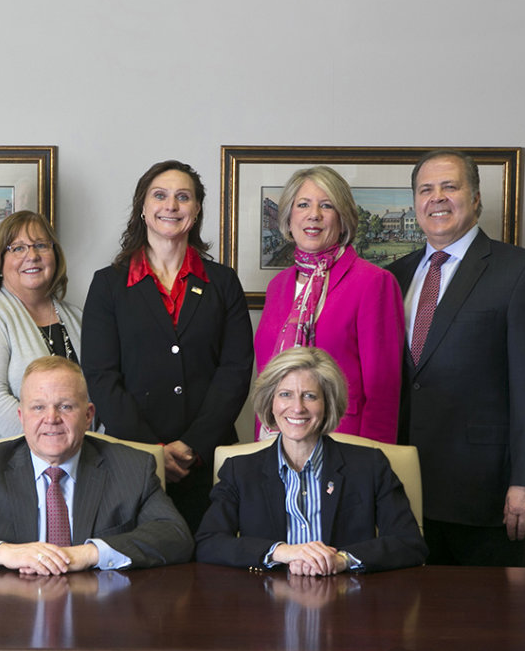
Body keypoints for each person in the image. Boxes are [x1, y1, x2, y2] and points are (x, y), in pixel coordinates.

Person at [386, 149, 525, 567]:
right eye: (426, 189)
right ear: (415, 202)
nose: (438, 198)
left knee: (489, 627)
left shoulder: (521, 272)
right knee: (405, 626)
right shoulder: (393, 277)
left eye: (450, 186)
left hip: (485, 495)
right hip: (401, 492)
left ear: (477, 196)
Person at [81, 159, 253, 533]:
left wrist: (192, 446)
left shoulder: (222, 283)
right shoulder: (108, 285)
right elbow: (100, 375)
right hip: (131, 459)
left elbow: (235, 371)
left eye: (183, 197)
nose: (171, 206)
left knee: (212, 575)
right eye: (159, 196)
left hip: (208, 460)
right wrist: (152, 451)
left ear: (197, 210)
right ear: (142, 208)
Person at [0, 356, 194, 572]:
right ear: (21, 416)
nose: (51, 418)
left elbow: (176, 536)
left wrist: (91, 553)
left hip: (100, 621)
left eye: (66, 406)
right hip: (5, 622)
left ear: (88, 414)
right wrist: (4, 553)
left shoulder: (132, 468)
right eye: (38, 407)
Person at [195, 347, 426, 574]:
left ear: (327, 405)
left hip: (348, 601)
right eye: (285, 394)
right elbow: (208, 543)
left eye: (310, 396)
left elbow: (409, 543)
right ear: (271, 403)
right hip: (265, 605)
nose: (297, 408)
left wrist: (342, 560)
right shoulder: (240, 470)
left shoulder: (369, 465)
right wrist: (281, 552)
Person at [253, 166, 405, 443]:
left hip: (344, 444)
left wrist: (375, 458)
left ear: (343, 219)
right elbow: (268, 378)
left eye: (327, 205)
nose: (314, 215)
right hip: (274, 441)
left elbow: (383, 388)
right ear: (288, 219)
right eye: (303, 205)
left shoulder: (374, 282)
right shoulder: (278, 286)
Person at [0, 211, 82, 444]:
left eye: (41, 245)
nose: (32, 256)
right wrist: (51, 442)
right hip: (3, 466)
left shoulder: (77, 318)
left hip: (74, 463)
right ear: (0, 262)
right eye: (18, 248)